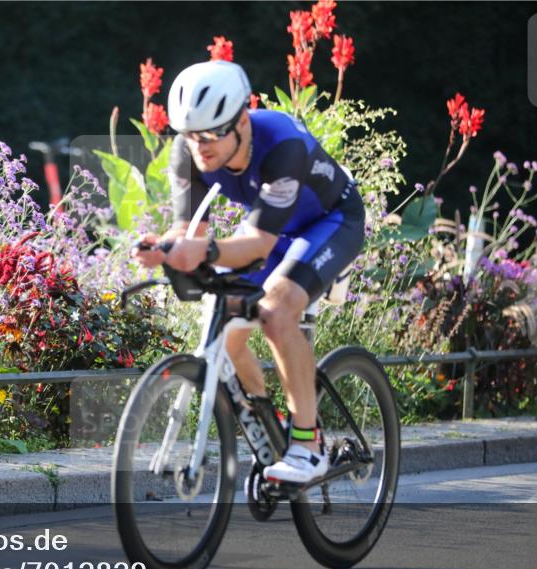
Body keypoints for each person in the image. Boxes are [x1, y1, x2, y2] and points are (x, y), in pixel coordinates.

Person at [132, 60, 366, 485]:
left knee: (276, 311)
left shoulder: (281, 145)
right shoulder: (189, 153)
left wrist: (198, 250)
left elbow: (257, 245)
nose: (199, 147)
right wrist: (166, 248)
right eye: (189, 135)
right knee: (225, 323)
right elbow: (189, 231)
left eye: (211, 135)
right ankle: (268, 422)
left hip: (331, 222)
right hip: (274, 229)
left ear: (241, 120)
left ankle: (307, 445)